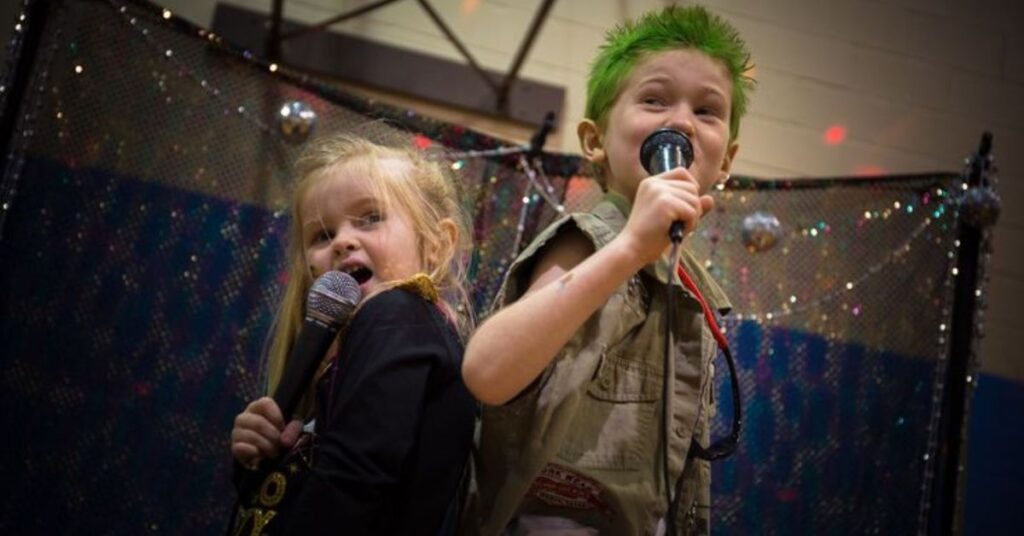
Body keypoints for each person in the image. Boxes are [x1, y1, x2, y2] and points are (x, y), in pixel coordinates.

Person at [460, 5, 754, 535]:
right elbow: (487, 371)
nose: (681, 121)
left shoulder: (695, 292)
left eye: (707, 111)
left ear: (726, 160)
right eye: (654, 100)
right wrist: (628, 251)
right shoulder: (588, 243)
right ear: (594, 140)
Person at [228, 132, 476, 535]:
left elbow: (352, 485)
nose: (343, 241)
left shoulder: (397, 313)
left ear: (435, 242)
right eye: (322, 235)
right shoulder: (352, 353)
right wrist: (258, 461)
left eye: (371, 218)